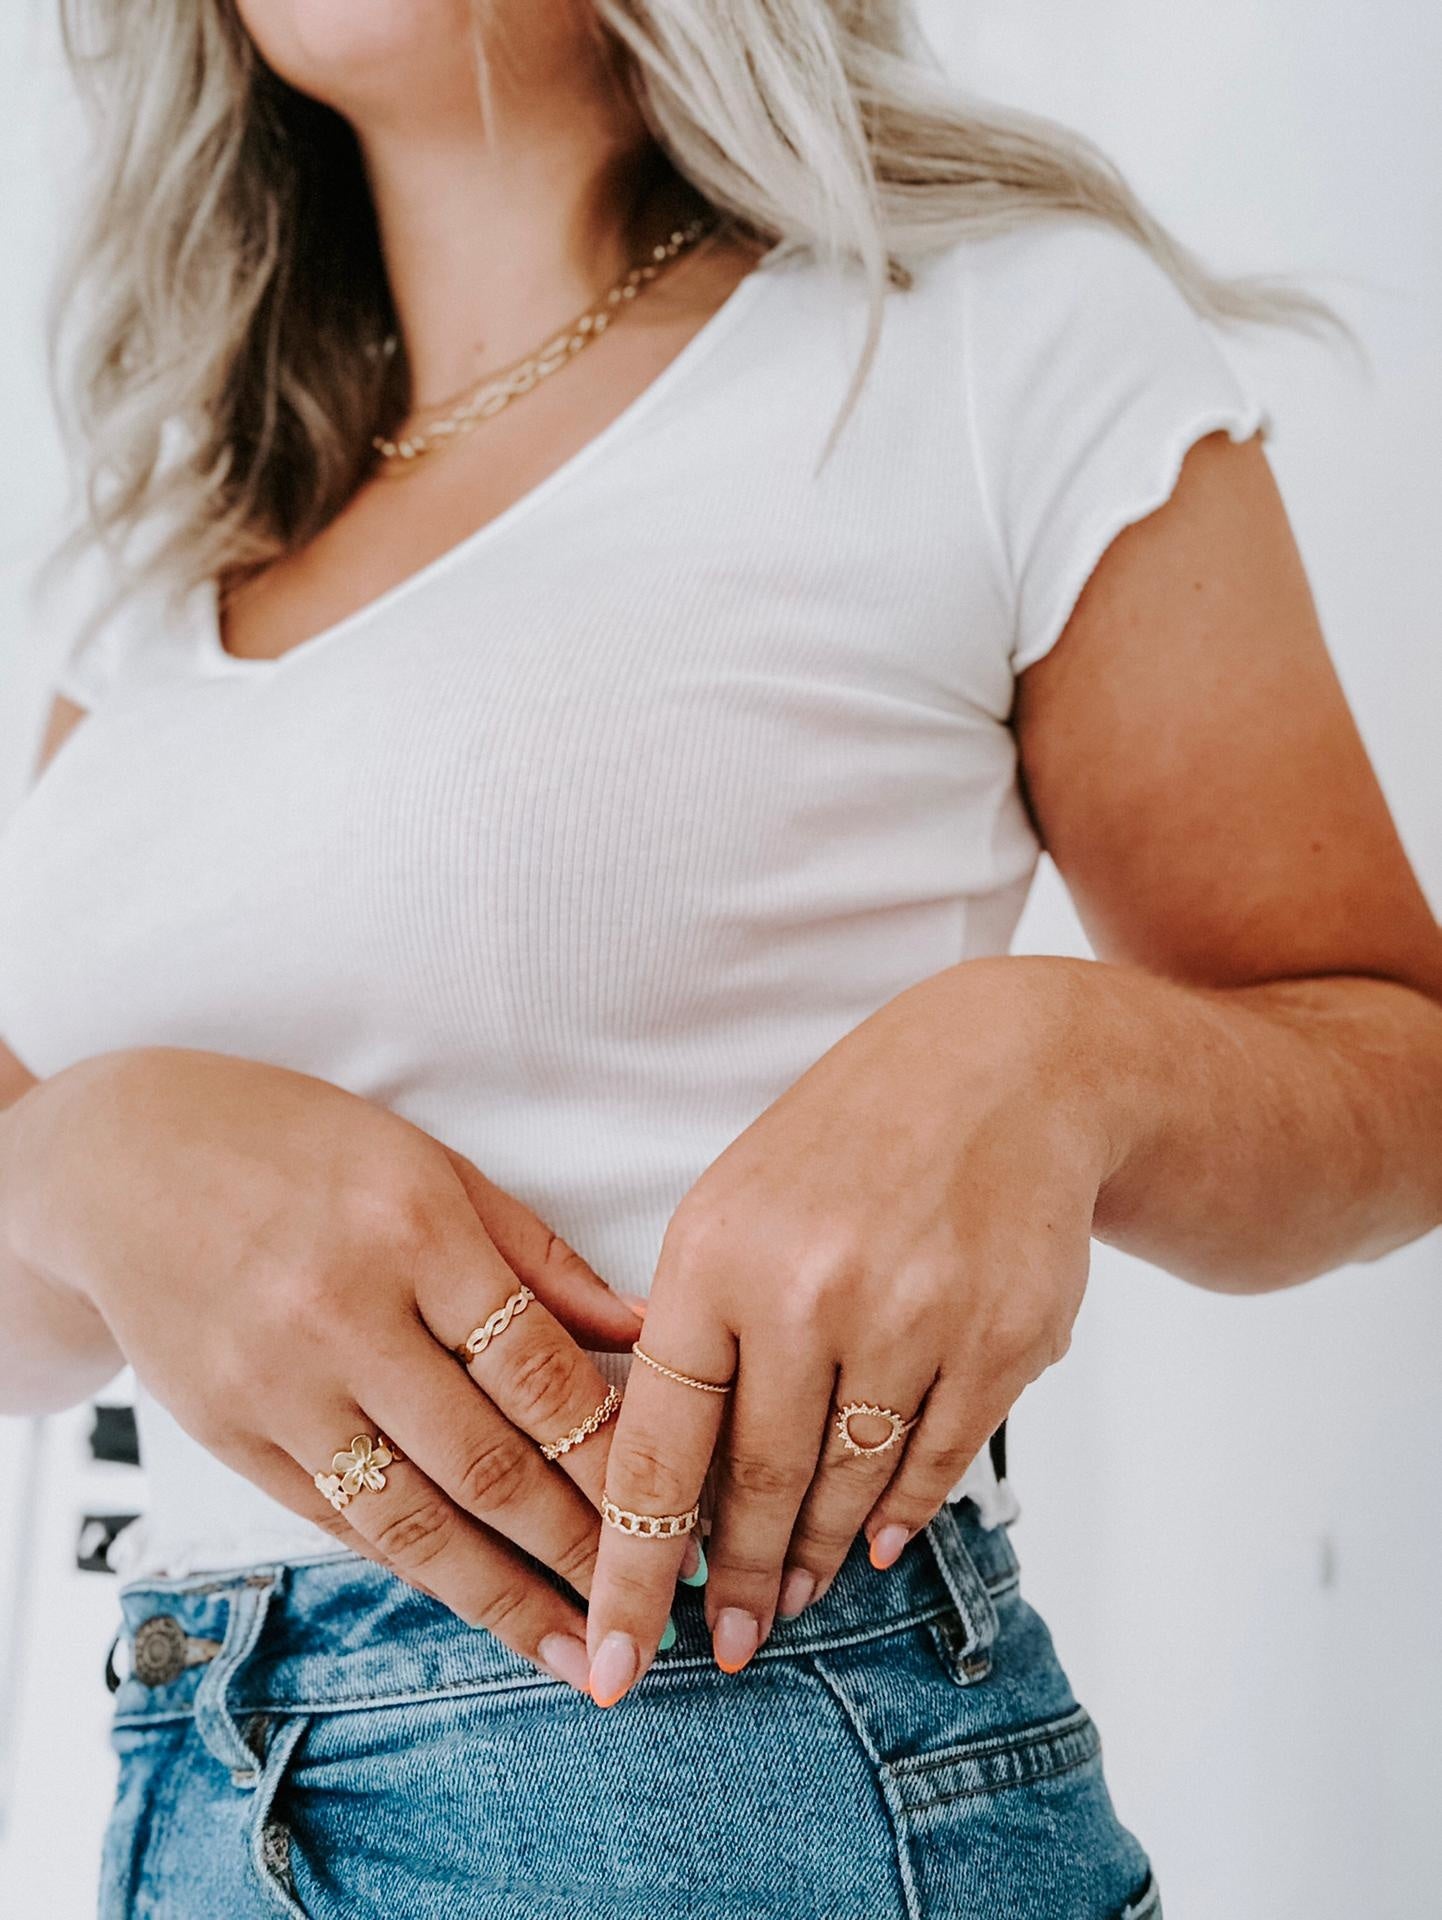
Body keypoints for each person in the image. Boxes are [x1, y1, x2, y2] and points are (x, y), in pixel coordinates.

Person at [2, 2, 1439, 1915]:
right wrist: (80, 1156)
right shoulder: (154, 547)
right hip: (188, 1788)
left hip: (741, 1776)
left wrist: (1052, 1057)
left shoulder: (995, 338)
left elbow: (1398, 1066)